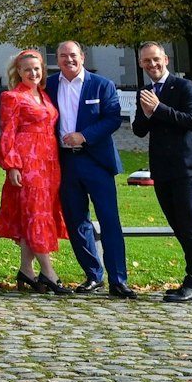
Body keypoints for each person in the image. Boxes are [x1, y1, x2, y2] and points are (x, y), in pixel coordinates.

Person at [45, 40, 134, 299]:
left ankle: (119, 280)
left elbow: (113, 118)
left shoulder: (101, 84)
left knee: (109, 221)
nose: (68, 60)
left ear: (82, 57)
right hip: (66, 163)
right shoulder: (49, 85)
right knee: (75, 221)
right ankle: (94, 275)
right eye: (62, 56)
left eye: (72, 55)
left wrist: (84, 135)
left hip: (96, 160)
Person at [133, 41, 192, 303]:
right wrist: (146, 112)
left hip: (187, 168)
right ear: (141, 64)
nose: (152, 65)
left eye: (156, 59)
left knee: (189, 226)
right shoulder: (145, 91)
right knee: (177, 225)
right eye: (146, 61)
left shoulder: (184, 86)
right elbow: (139, 129)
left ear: (166, 59)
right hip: (162, 169)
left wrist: (158, 109)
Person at [0, 49, 70, 294]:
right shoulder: (12, 97)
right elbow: (7, 133)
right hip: (28, 162)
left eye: (37, 68)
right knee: (35, 214)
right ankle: (48, 272)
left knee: (37, 214)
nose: (33, 73)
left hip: (49, 161)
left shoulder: (45, 95)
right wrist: (12, 165)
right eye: (27, 69)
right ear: (19, 71)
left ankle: (26, 270)